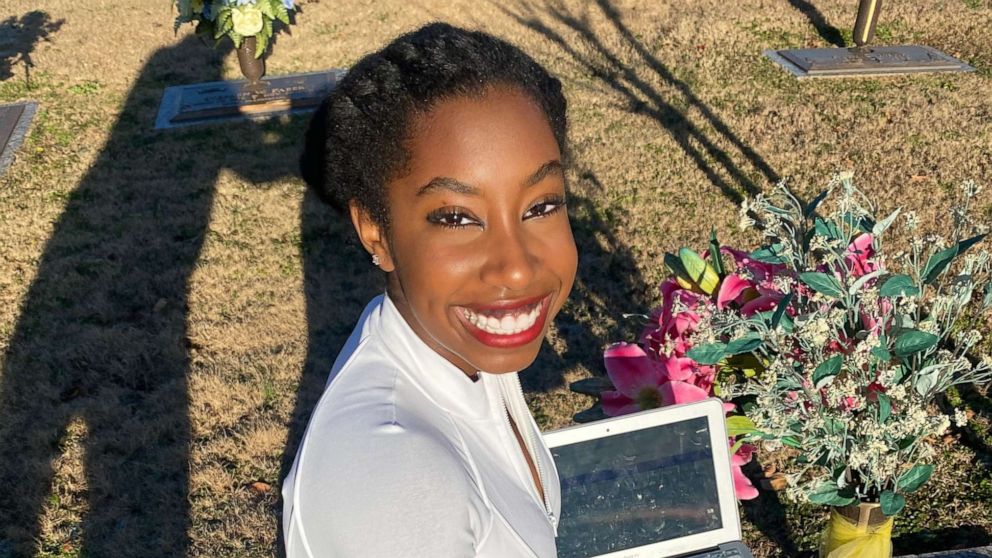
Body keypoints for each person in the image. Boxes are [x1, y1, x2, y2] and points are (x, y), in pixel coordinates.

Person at [282, 22, 578, 557]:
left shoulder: (451, 345)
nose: (516, 270)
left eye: (541, 206)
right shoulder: (397, 481)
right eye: (457, 218)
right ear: (376, 231)